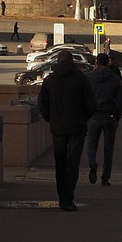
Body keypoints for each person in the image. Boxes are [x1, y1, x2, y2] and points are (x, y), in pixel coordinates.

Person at [38, 49, 96, 211]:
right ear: (72, 62)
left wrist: (52, 119)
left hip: (57, 128)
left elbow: (42, 105)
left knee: (60, 163)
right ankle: (68, 198)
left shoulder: (49, 81)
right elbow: (91, 104)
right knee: (73, 164)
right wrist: (83, 118)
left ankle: (61, 196)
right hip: (77, 128)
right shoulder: (80, 79)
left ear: (57, 62)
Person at [85, 53, 122, 186]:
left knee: (91, 145)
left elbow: (85, 98)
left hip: (93, 115)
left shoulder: (89, 78)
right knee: (109, 148)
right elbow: (120, 101)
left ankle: (92, 163)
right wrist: (117, 115)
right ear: (108, 63)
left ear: (96, 63)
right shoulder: (114, 78)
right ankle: (105, 178)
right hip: (110, 116)